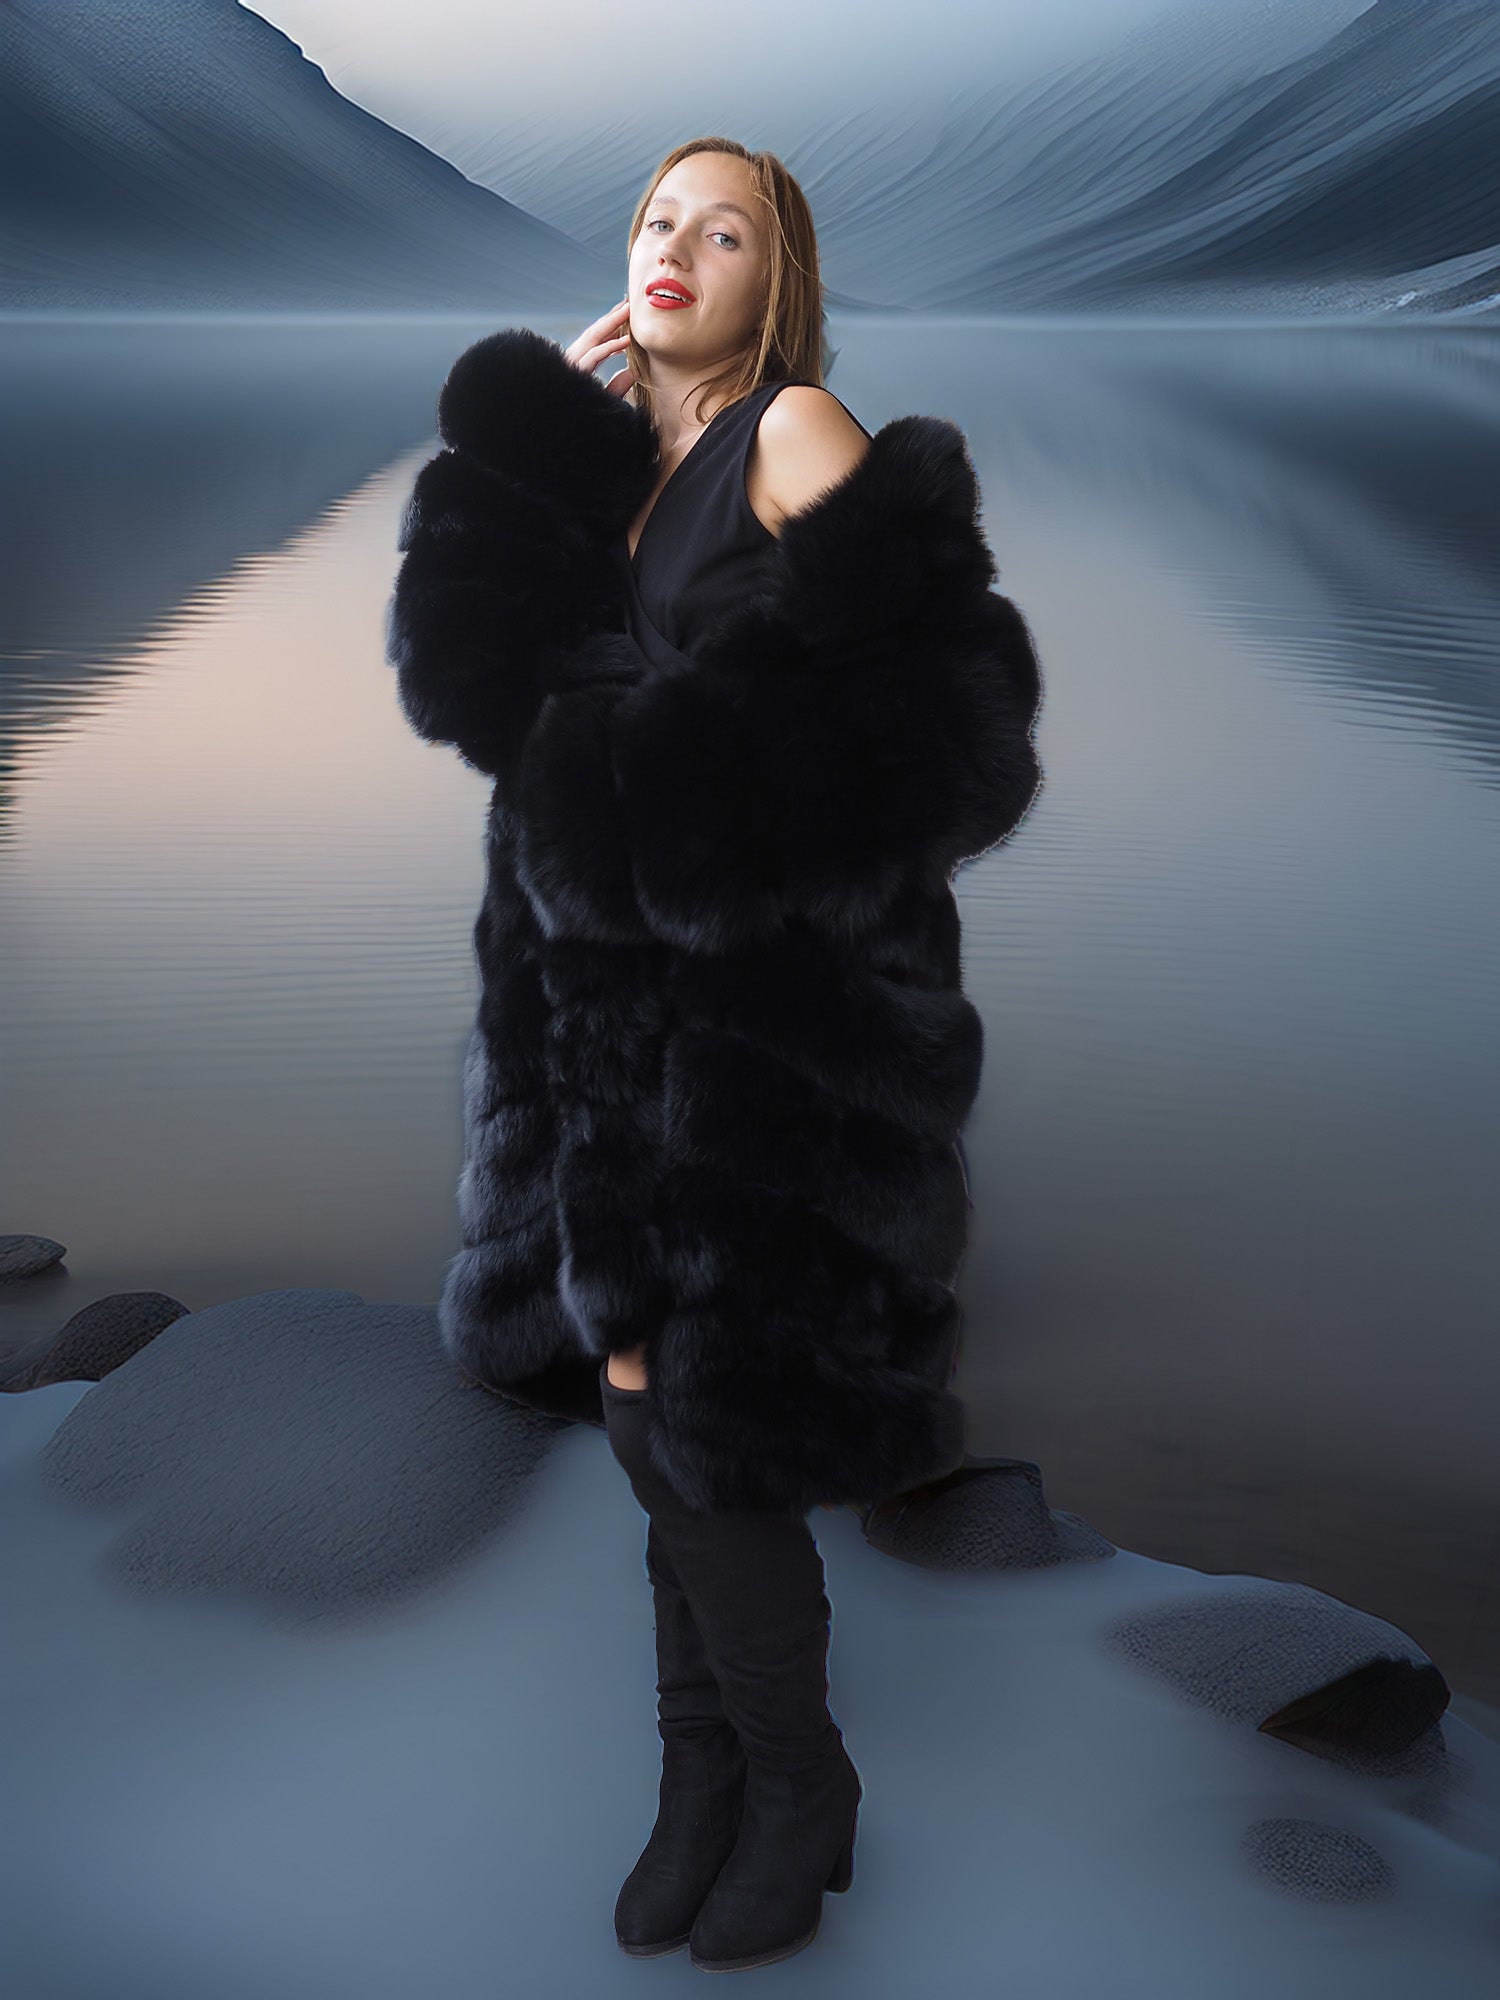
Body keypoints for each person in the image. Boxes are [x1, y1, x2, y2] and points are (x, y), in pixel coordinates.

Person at [386, 136, 1043, 1973]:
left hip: (773, 1028)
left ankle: (797, 1782)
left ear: (780, 279)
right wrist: (535, 451)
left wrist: (658, 812)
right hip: (602, 1023)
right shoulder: (623, 468)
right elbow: (468, 692)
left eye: (725, 228)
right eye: (657, 219)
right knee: (639, 1393)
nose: (678, 245)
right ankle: (705, 1776)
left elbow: (959, 730)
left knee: (706, 1413)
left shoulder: (794, 433)